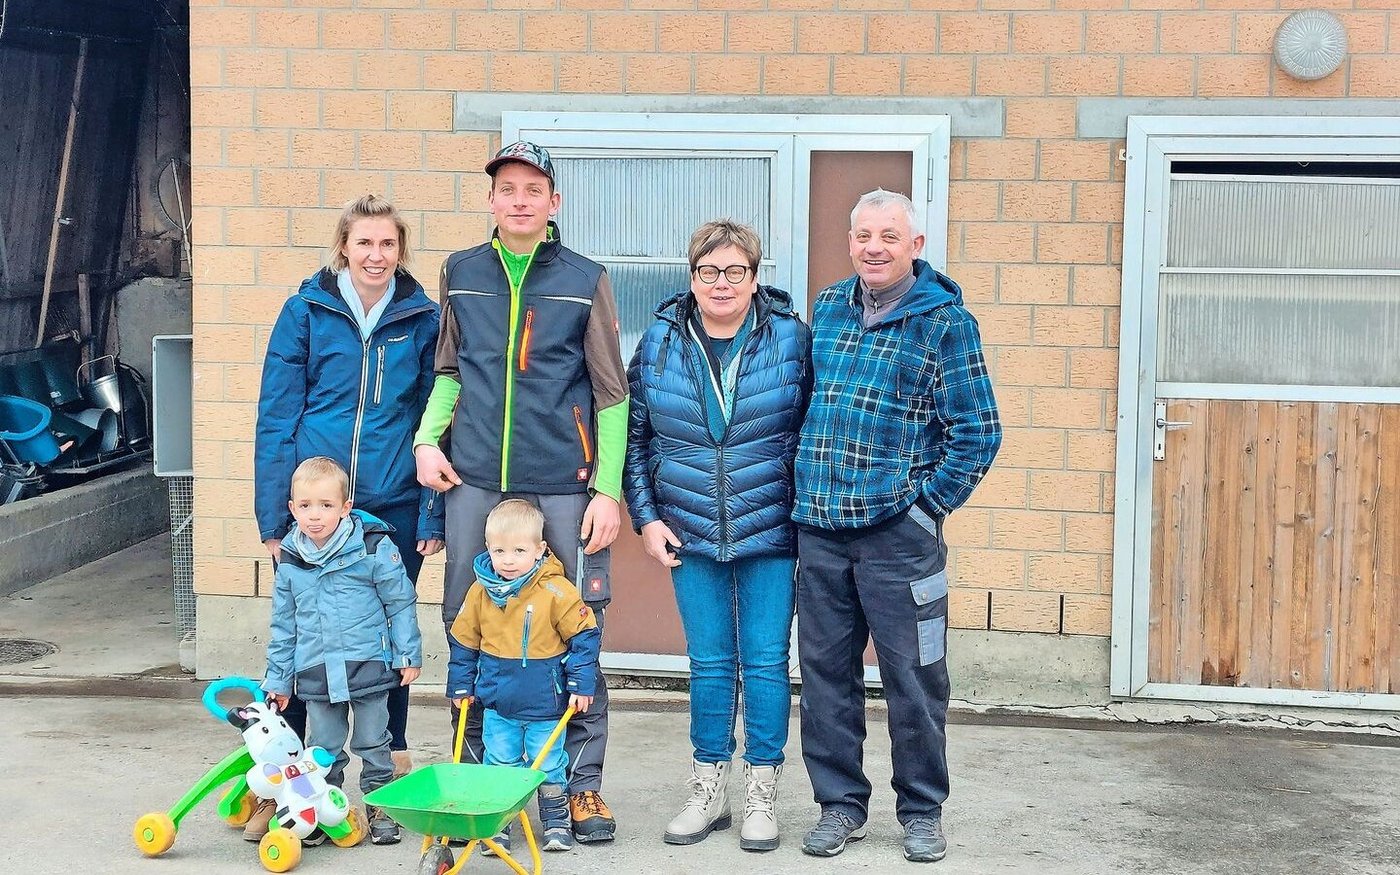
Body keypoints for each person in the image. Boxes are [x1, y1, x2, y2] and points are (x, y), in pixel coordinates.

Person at [412, 141, 628, 843]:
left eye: (534, 189)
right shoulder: (461, 272)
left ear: (554, 203)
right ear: (491, 199)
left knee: (576, 622)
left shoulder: (585, 278)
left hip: (563, 480)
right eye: (508, 188)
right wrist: (426, 440)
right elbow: (449, 369)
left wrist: (608, 488)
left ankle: (583, 787)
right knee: (466, 618)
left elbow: (612, 394)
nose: (520, 200)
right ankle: (477, 777)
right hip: (475, 474)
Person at [793, 189, 1001, 864]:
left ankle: (920, 810)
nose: (873, 247)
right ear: (850, 241)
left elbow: (978, 431)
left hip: (898, 539)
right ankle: (840, 805)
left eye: (889, 235)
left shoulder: (945, 322)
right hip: (821, 532)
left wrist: (924, 507)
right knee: (825, 676)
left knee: (915, 679)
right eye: (863, 235)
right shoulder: (826, 309)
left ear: (914, 245)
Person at [252, 194, 443, 836]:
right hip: (314, 509)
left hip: (388, 507)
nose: (375, 255)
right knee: (308, 647)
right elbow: (277, 415)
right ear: (343, 247)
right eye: (364, 242)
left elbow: (432, 421)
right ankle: (291, 786)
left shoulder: (420, 318)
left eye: (387, 244)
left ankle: (388, 776)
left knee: (383, 644)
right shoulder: (306, 310)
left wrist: (430, 514)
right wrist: (275, 519)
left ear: (400, 251)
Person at [623, 220, 810, 852]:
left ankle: (762, 792)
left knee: (763, 663)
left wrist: (806, 518)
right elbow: (637, 440)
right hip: (689, 530)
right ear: (692, 277)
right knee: (707, 664)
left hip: (771, 530)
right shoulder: (658, 343)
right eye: (709, 271)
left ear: (756, 278)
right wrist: (646, 517)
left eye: (735, 271)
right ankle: (708, 790)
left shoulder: (791, 340)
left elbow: (810, 435)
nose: (721, 283)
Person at [261, 456, 423, 847]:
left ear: (346, 507)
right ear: (292, 508)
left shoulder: (372, 549)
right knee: (322, 749)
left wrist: (407, 653)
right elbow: (284, 627)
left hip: (366, 664)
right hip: (316, 672)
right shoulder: (291, 560)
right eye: (305, 506)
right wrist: (279, 680)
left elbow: (400, 602)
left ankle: (381, 806)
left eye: (326, 505)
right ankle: (322, 809)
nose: (315, 516)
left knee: (373, 740)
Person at [447, 499, 601, 854]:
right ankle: (498, 825)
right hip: (498, 703)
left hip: (546, 705)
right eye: (500, 550)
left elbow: (584, 638)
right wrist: (460, 683)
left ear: (540, 549)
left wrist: (580, 684)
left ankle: (556, 822)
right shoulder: (480, 592)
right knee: (498, 763)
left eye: (519, 550)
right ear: (488, 549)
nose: (509, 559)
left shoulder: (557, 591)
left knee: (548, 764)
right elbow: (464, 642)